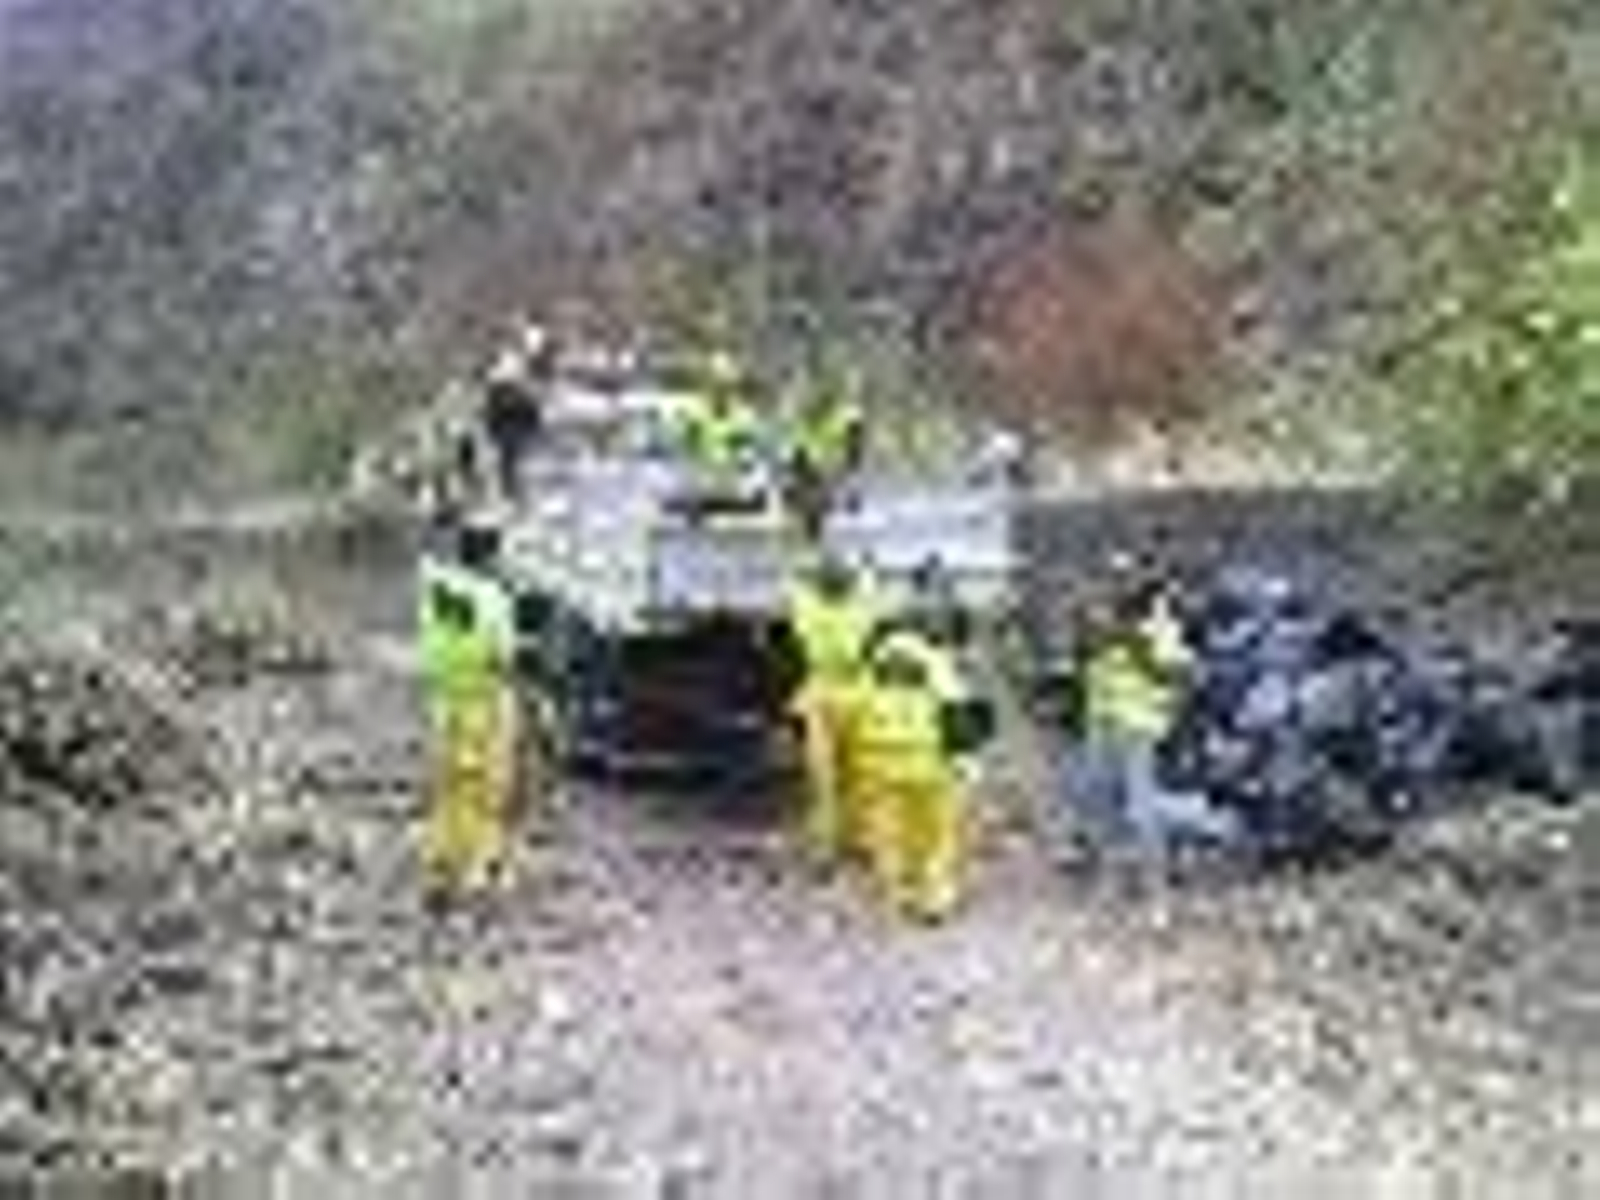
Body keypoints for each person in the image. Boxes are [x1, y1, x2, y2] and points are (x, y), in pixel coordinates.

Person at [1067, 557, 1238, 863]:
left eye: (1125, 579)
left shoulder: (1161, 626)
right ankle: (1098, 850)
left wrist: (1132, 643)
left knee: (1140, 803)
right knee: (1095, 790)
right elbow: (1087, 661)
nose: (1117, 586)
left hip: (1139, 725)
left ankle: (1205, 829)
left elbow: (1174, 673)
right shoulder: (1110, 621)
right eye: (1113, 580)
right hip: (1104, 718)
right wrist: (1087, 633)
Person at [852, 621, 989, 922]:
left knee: (889, 834)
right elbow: (960, 715)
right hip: (930, 766)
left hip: (881, 766)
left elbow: (855, 715)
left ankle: (898, 896)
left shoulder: (868, 669)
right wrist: (969, 762)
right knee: (937, 836)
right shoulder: (937, 665)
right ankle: (935, 900)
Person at [418, 521, 522, 906]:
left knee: (447, 789)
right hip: (484, 703)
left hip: (442, 700)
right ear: (490, 557)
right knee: (486, 791)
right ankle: (475, 873)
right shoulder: (494, 600)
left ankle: (441, 863)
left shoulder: (436, 589)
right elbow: (504, 658)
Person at [785, 556, 884, 869]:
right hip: (857, 695)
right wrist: (869, 567)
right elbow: (870, 592)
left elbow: (796, 590)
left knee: (823, 780)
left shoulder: (809, 615)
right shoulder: (860, 613)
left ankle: (825, 851)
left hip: (821, 696)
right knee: (862, 775)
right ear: (849, 590)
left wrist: (803, 566)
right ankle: (863, 842)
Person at [481, 320, 557, 502]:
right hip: (508, 417)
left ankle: (515, 489)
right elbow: (508, 391)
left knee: (515, 455)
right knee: (510, 455)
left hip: (514, 416)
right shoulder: (510, 365)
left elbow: (537, 391)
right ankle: (511, 491)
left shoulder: (527, 364)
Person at [783, 378, 866, 542]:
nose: (816, 411)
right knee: (805, 498)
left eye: (822, 406)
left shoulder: (840, 420)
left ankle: (818, 518)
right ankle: (806, 522)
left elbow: (854, 437)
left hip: (829, 470)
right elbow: (794, 456)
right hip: (811, 470)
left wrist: (850, 477)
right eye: (814, 407)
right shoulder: (803, 426)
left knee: (826, 500)